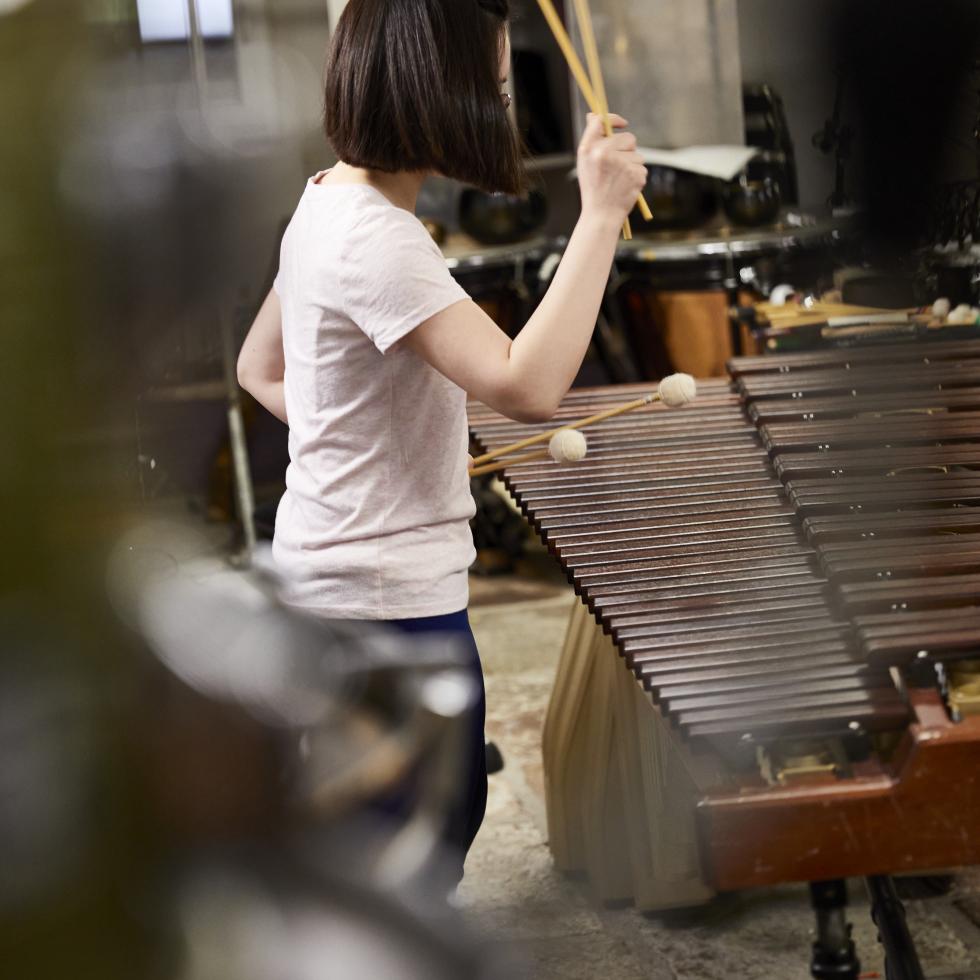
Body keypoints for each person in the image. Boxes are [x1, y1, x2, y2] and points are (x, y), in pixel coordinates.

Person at [236, 0, 646, 884]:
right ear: (436, 90)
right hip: (383, 607)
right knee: (420, 850)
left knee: (400, 842)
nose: (501, 108)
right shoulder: (379, 240)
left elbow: (261, 369)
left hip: (339, 583)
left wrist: (378, 454)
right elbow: (528, 385)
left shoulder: (323, 204)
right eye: (492, 88)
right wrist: (601, 214)